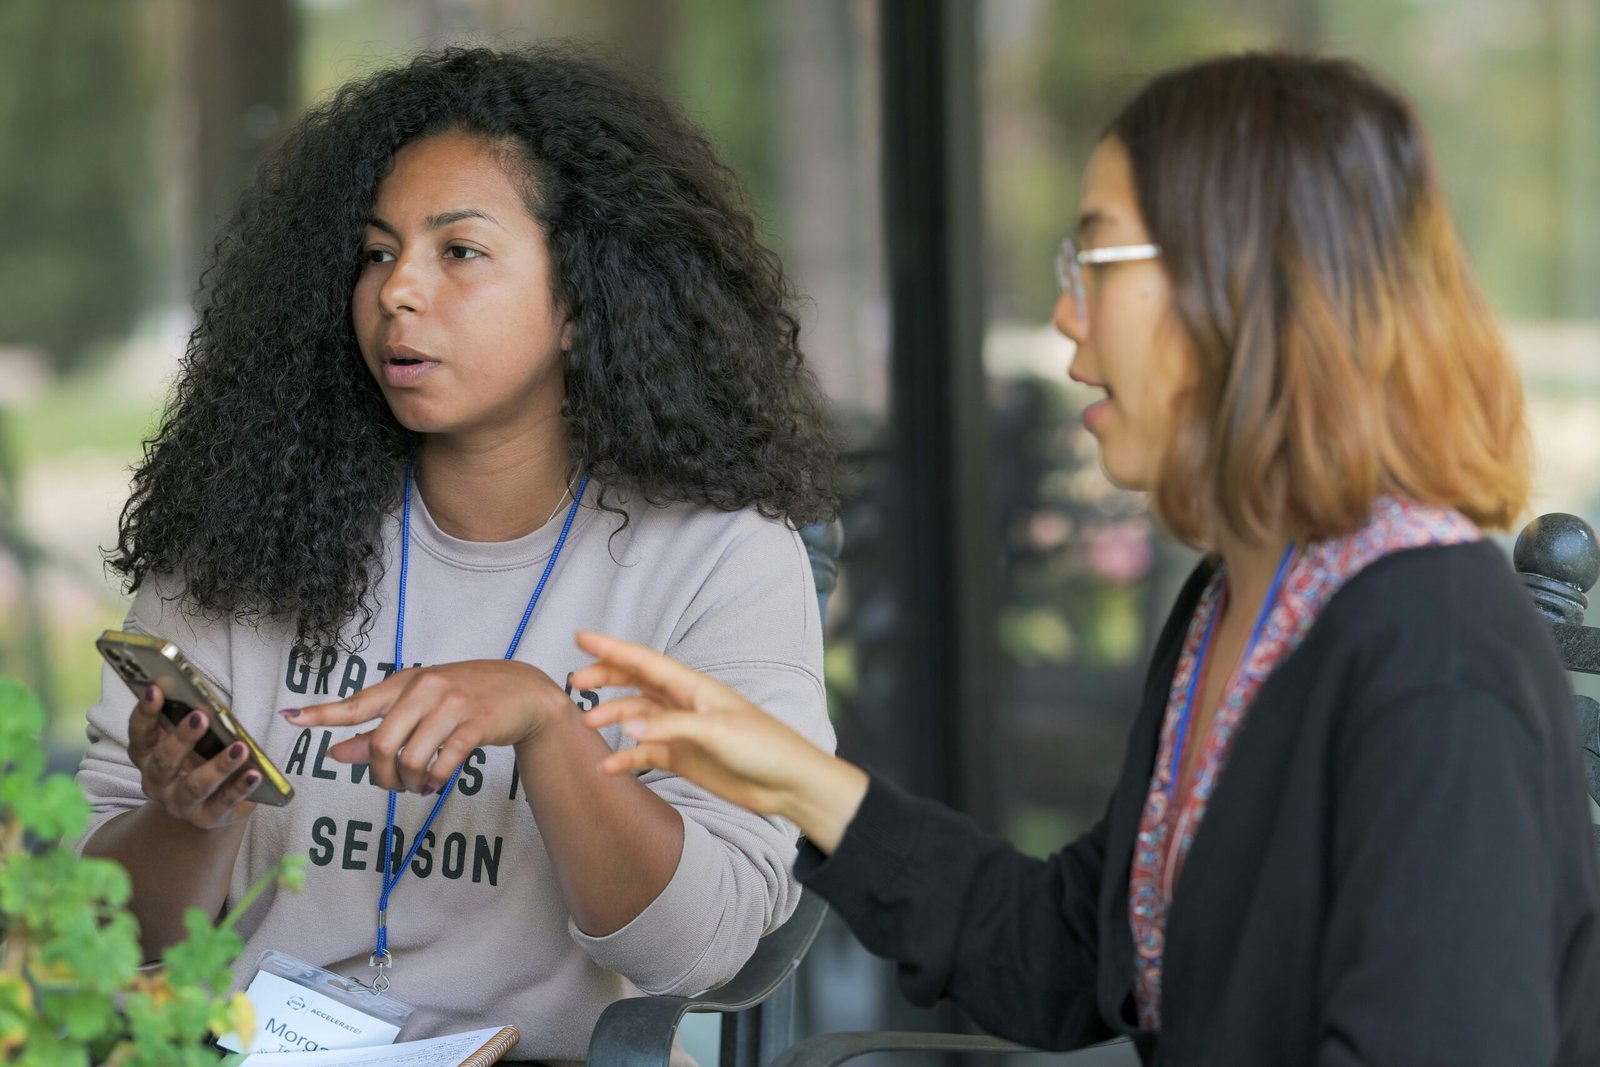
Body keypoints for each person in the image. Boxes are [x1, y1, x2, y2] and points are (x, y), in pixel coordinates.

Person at [574, 52, 1600, 1066]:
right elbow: (1068, 952)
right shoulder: (1238, 594)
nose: (1065, 315)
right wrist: (793, 775)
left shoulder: (1436, 652)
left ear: (1241, 284)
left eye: (1095, 264)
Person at [75, 45, 837, 1063]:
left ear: (582, 300)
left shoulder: (713, 557)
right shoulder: (247, 522)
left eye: (459, 252)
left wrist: (545, 724)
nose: (398, 292)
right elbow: (113, 938)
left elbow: (700, 949)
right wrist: (189, 812)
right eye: (377, 252)